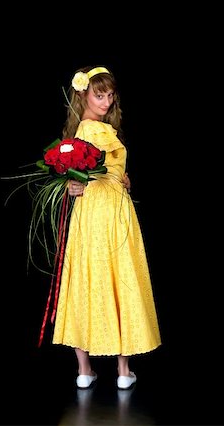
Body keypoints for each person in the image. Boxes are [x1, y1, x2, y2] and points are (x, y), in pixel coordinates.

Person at [51, 65, 161, 389]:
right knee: (119, 277)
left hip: (94, 211)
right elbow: (86, 172)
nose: (107, 101)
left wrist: (121, 178)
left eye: (110, 95)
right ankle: (123, 372)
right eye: (100, 95)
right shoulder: (95, 130)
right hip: (109, 212)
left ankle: (84, 370)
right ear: (83, 94)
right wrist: (90, 182)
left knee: (86, 278)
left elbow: (96, 170)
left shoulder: (80, 133)